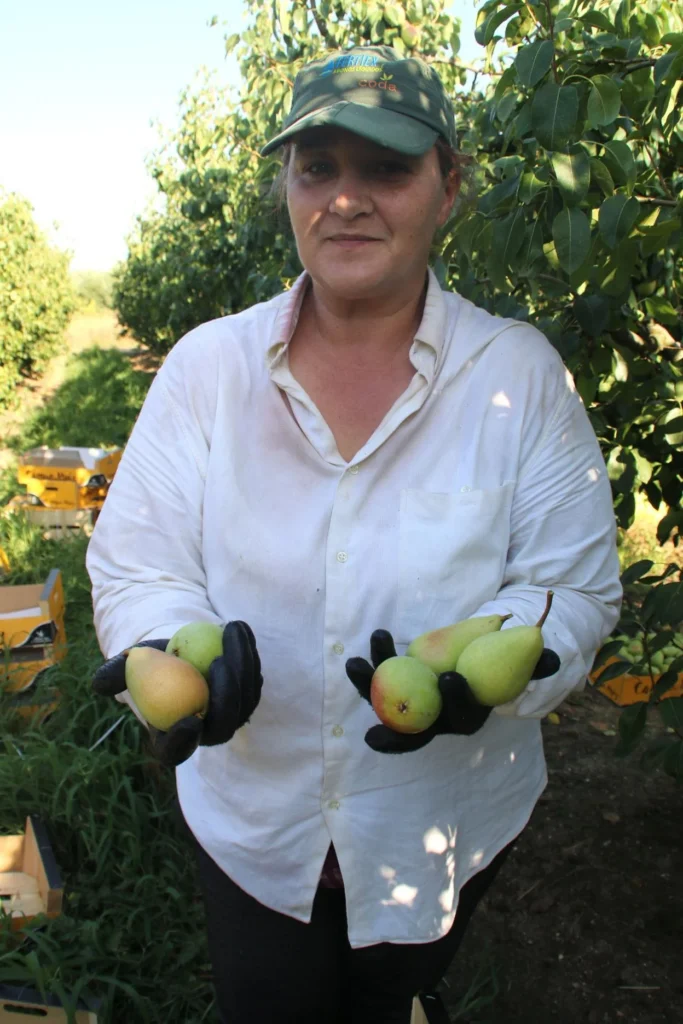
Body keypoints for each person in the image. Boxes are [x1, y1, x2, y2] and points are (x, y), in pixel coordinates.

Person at [87, 44, 622, 1024]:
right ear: (286, 186)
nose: (345, 198)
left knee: (387, 998)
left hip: (444, 822)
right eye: (317, 168)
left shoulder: (516, 379)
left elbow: (572, 587)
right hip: (251, 823)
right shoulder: (209, 370)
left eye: (385, 168)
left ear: (448, 186)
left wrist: (494, 659)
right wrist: (166, 646)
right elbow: (140, 558)